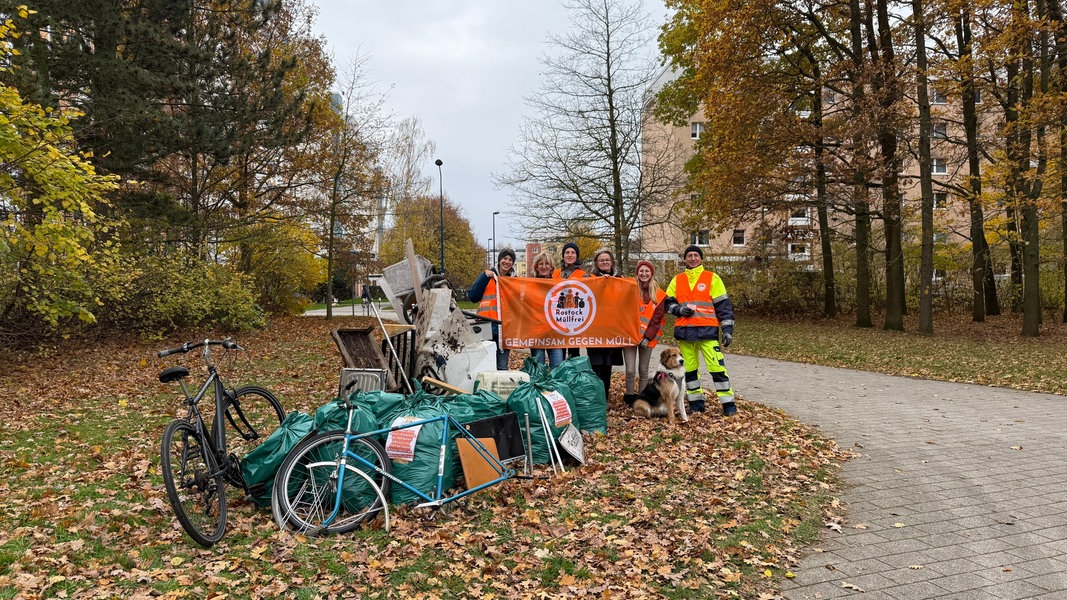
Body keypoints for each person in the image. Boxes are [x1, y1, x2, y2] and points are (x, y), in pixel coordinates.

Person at [663, 245, 737, 417]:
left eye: (696, 255)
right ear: (685, 259)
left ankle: (728, 404)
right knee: (689, 371)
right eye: (690, 255)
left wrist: (727, 330)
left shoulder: (712, 278)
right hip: (685, 332)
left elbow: (723, 306)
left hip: (707, 332)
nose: (693, 258)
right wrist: (679, 310)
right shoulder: (677, 279)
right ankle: (696, 403)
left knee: (717, 368)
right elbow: (667, 302)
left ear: (701, 258)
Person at [622, 260, 667, 397]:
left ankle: (641, 398)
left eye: (647, 271)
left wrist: (647, 338)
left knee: (643, 370)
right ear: (637, 273)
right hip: (630, 335)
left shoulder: (659, 294)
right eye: (641, 271)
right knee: (630, 370)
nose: (644, 273)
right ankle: (630, 396)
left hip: (647, 338)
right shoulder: (630, 288)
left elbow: (656, 320)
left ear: (651, 273)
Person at [586, 249, 624, 400]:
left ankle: (605, 396)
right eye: (601, 260)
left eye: (607, 260)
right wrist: (600, 283)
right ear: (596, 263)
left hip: (612, 330)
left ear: (612, 261)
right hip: (595, 329)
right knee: (595, 364)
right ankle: (596, 398)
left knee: (608, 365)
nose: (604, 263)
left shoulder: (620, 279)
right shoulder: (589, 278)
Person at [468, 249, 516, 370]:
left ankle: (498, 389)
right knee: (486, 366)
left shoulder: (514, 281)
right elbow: (473, 296)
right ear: (499, 260)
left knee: (502, 366)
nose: (507, 261)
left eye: (510, 259)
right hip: (486, 327)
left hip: (505, 329)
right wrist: (483, 277)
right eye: (505, 258)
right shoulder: (487, 276)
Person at [529, 252, 564, 369]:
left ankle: (554, 388)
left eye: (547, 264)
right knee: (539, 371)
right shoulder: (529, 285)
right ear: (536, 267)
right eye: (541, 264)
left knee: (557, 370)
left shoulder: (558, 285)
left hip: (554, 334)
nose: (544, 267)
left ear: (551, 267)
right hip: (536, 334)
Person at [553, 242, 586, 359]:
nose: (570, 255)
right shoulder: (555, 273)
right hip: (558, 319)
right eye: (567, 252)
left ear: (577, 256)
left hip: (575, 319)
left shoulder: (584, 275)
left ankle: (573, 376)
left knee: (574, 353)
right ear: (563, 255)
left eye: (573, 253)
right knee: (559, 353)